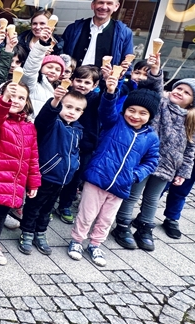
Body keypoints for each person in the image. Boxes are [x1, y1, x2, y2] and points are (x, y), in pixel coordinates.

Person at [67, 79, 159, 267]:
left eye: (143, 113)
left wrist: (135, 175)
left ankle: (95, 244)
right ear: (124, 109)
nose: (135, 116)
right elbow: (105, 110)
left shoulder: (151, 137)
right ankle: (77, 240)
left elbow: (152, 161)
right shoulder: (114, 122)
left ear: (150, 116)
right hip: (97, 178)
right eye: (131, 110)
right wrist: (110, 93)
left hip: (121, 185)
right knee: (87, 213)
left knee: (106, 218)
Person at [112, 61, 195, 252]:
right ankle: (122, 226)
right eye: (178, 88)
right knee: (133, 194)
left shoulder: (191, 119)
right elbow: (156, 88)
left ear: (192, 101)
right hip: (145, 161)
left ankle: (144, 228)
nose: (180, 92)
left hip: (168, 166)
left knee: (153, 198)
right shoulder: (162, 104)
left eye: (186, 92)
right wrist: (156, 72)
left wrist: (183, 172)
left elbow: (191, 149)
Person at [0, 82, 40, 266]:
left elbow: (33, 157)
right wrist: (4, 100)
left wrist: (33, 182)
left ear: (27, 102)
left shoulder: (29, 127)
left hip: (15, 180)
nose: (16, 100)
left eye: (21, 98)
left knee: (2, 213)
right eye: (13, 96)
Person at [18, 86, 85, 255]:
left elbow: (74, 152)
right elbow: (43, 119)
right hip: (44, 174)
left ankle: (40, 232)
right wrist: (54, 101)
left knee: (48, 208)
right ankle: (26, 231)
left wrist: (74, 166)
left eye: (77, 109)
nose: (72, 112)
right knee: (34, 205)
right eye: (68, 106)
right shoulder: (53, 124)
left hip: (62, 178)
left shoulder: (78, 130)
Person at [55, 65, 102, 223]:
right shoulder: (66, 96)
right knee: (56, 175)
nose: (82, 84)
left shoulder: (95, 99)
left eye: (87, 82)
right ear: (72, 80)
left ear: (94, 85)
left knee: (76, 177)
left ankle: (65, 205)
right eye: (79, 80)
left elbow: (108, 101)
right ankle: (48, 203)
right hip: (63, 143)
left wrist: (112, 84)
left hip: (85, 146)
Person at [60, 0, 133, 68]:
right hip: (73, 79)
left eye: (109, 3)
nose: (104, 7)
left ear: (116, 6)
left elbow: (126, 66)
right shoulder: (74, 29)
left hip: (103, 80)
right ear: (93, 5)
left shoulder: (124, 33)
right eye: (100, 2)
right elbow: (60, 56)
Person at [22, 39, 66, 118]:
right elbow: (30, 70)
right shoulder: (33, 84)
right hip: (29, 124)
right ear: (40, 68)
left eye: (57, 70)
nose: (53, 71)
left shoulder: (61, 90)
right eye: (49, 67)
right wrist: (41, 46)